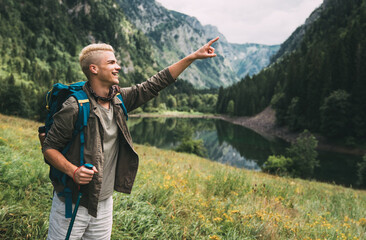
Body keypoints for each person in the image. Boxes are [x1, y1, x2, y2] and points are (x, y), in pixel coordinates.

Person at [41, 37, 219, 239]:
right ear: (94, 69)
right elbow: (49, 148)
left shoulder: (119, 99)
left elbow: (154, 84)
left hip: (104, 202)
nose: (118, 67)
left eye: (116, 62)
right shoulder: (75, 106)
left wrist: (193, 57)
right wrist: (73, 171)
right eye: (111, 63)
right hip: (72, 201)